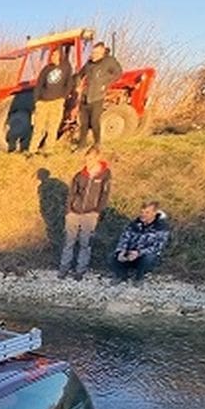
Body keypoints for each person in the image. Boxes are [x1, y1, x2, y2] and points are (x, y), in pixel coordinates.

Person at [59, 145, 112, 281]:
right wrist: (68, 210)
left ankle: (80, 270)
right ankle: (64, 269)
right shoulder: (79, 175)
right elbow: (72, 193)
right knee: (69, 242)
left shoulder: (105, 175)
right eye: (86, 159)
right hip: (74, 212)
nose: (87, 163)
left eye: (90, 160)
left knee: (85, 243)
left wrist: (98, 211)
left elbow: (104, 195)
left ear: (97, 158)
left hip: (90, 213)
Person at [110, 202, 170, 286]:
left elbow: (157, 247)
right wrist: (121, 251)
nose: (143, 215)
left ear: (154, 213)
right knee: (112, 255)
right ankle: (121, 275)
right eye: (142, 212)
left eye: (147, 213)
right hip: (130, 253)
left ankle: (139, 277)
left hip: (145, 255)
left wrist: (139, 253)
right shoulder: (134, 224)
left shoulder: (161, 227)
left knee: (149, 258)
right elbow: (124, 238)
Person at [75, 43, 122, 149]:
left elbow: (118, 73)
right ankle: (81, 146)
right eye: (93, 52)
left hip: (98, 96)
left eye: (96, 53)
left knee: (94, 121)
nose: (93, 55)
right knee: (84, 123)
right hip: (85, 96)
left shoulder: (109, 61)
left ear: (102, 52)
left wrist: (105, 83)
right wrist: (77, 85)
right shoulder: (89, 63)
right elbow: (79, 75)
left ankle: (97, 143)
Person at [31, 47, 73, 155]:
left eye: (55, 55)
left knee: (53, 127)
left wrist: (63, 97)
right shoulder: (46, 69)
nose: (53, 57)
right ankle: (32, 150)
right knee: (38, 127)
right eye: (52, 55)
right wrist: (37, 101)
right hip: (43, 102)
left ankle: (48, 150)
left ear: (60, 56)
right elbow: (39, 85)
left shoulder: (66, 68)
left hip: (57, 102)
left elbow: (69, 84)